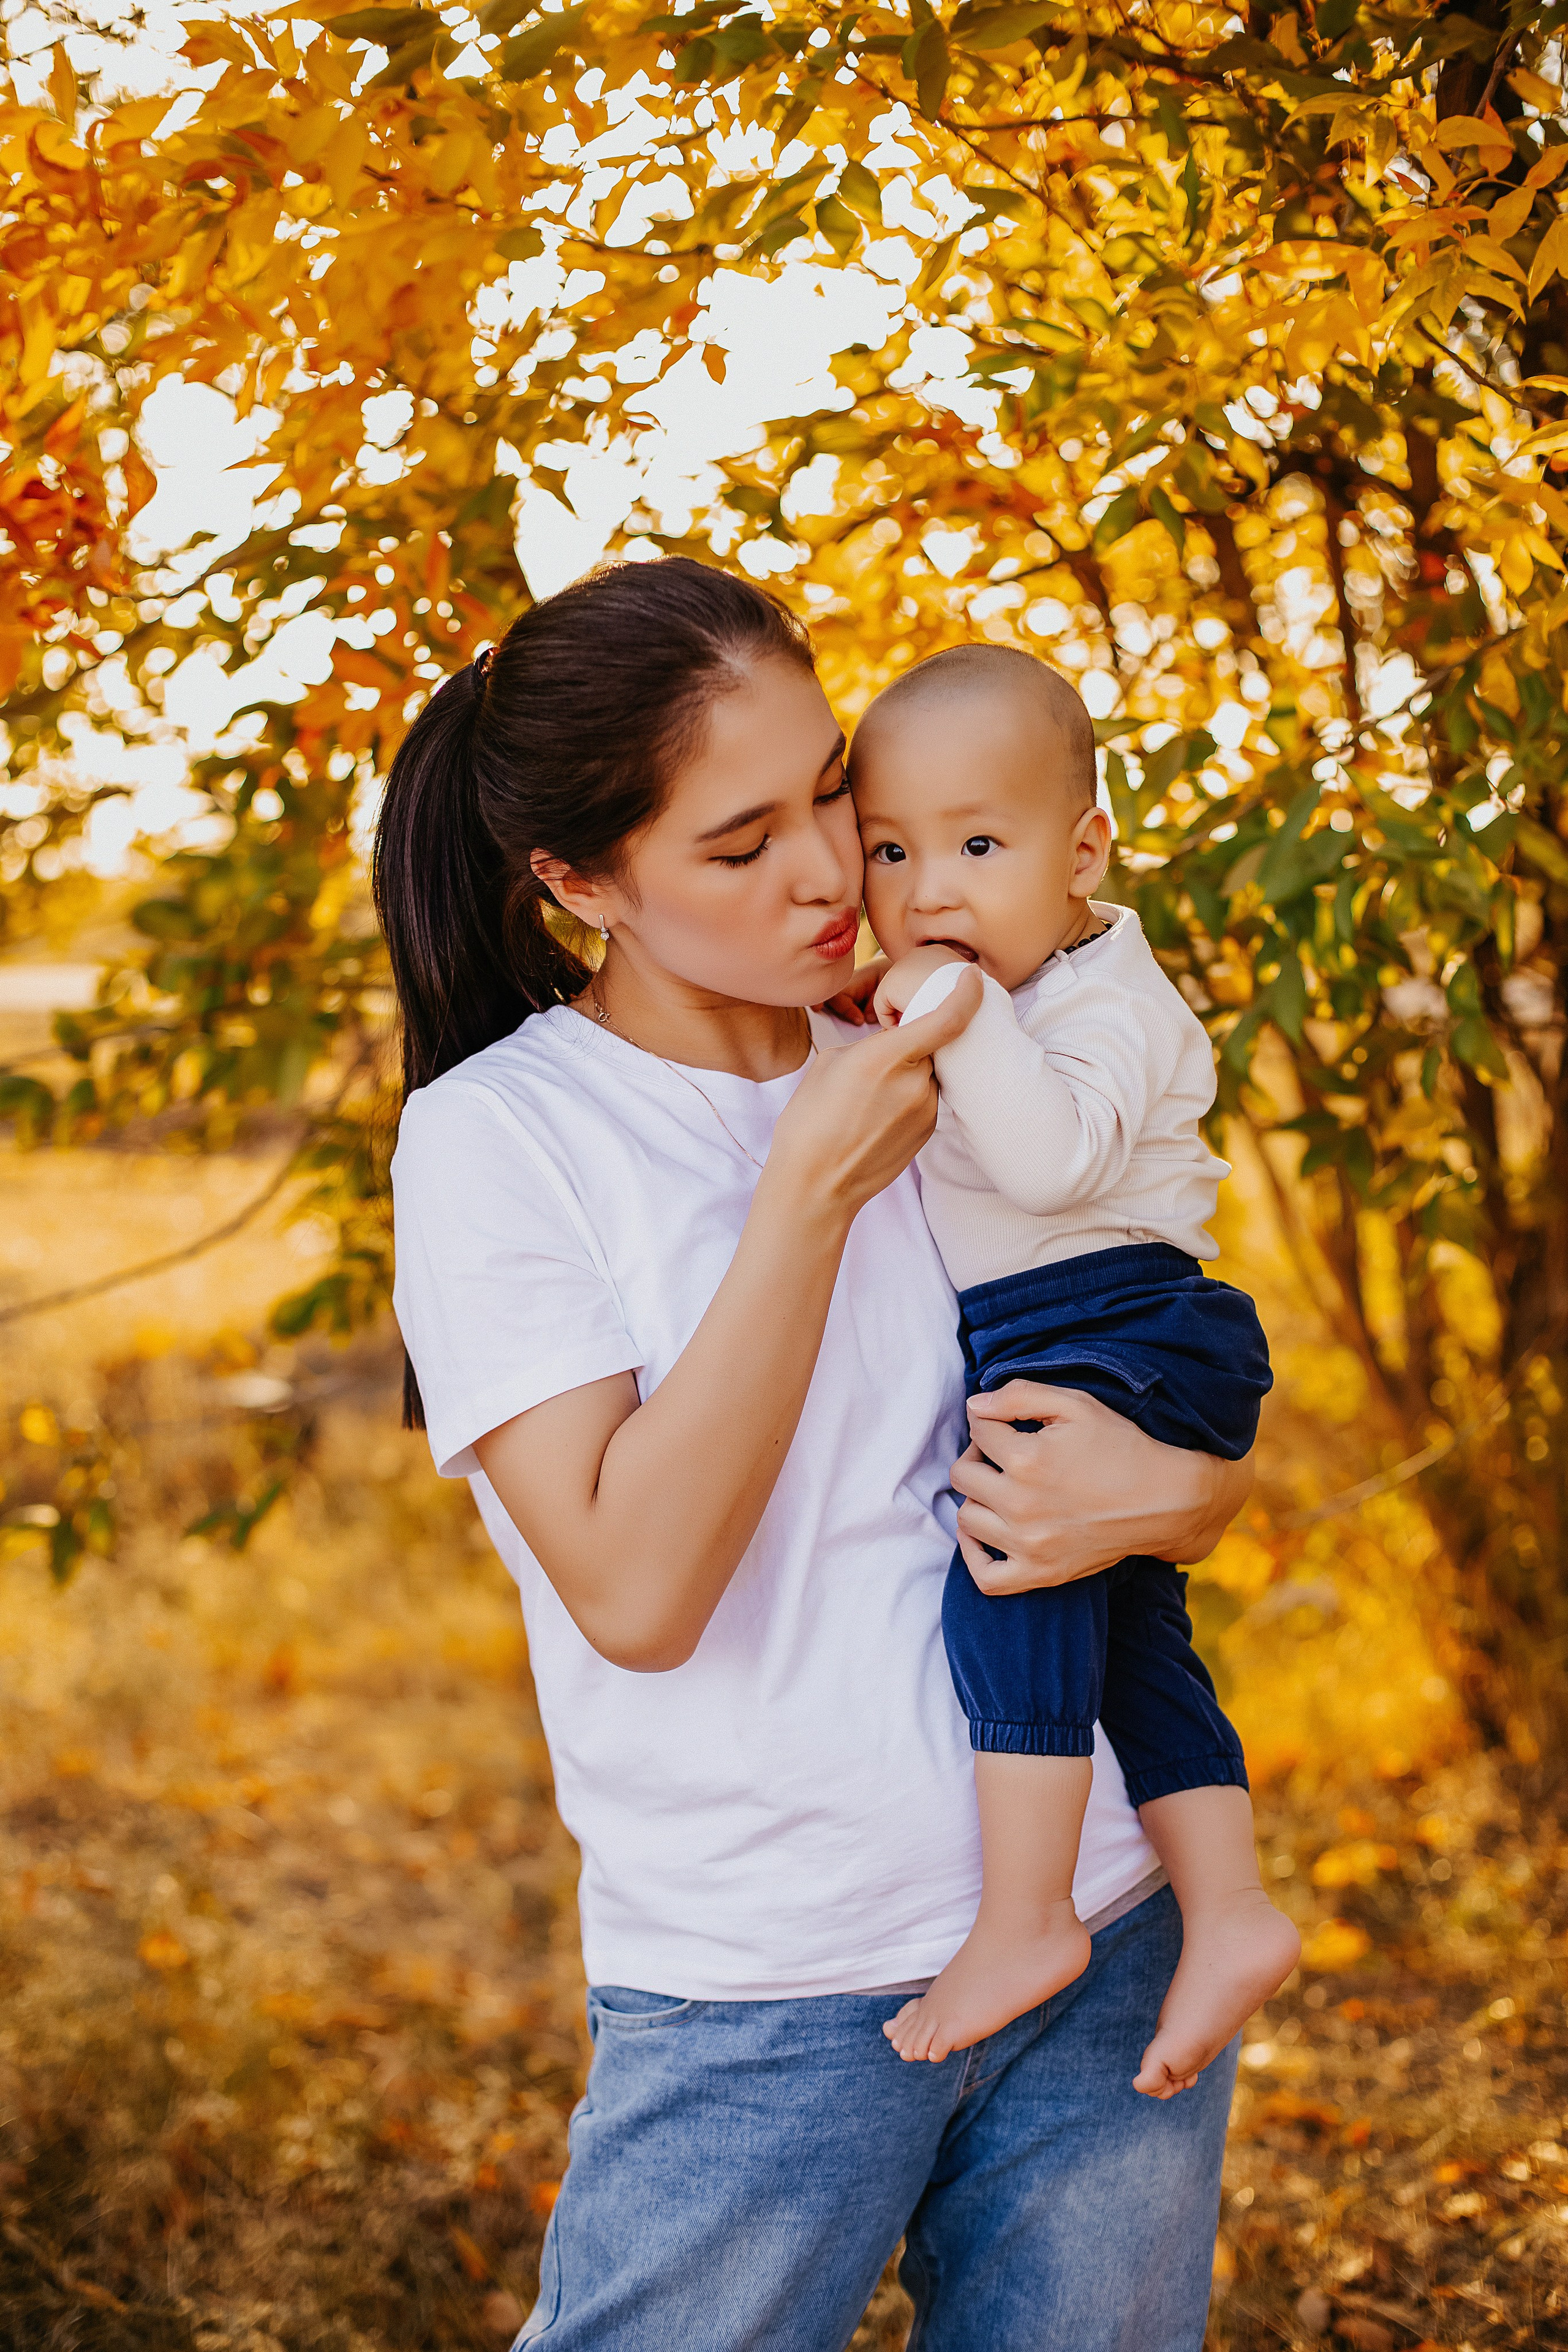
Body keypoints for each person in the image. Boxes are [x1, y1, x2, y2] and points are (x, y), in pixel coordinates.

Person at [379, 556, 1256, 2352]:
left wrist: (1195, 1495)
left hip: (1098, 1922)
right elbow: (634, 1590)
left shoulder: (951, 1033)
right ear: (577, 883)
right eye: (735, 843)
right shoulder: (505, 1141)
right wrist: (805, 1189)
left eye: (831, 800)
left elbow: (1135, 1385)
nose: (823, 877)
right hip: (772, 1995)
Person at [837, 645, 1299, 2089]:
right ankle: (1226, 1910)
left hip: (1118, 1315)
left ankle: (1027, 1915)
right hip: (1088, 1324)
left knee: (1008, 1579)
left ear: (1083, 848)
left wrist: (952, 1015)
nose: (929, 892)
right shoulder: (1018, 985)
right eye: (891, 852)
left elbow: (1043, 1166)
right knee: (1129, 1644)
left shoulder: (1104, 996)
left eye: (980, 845)